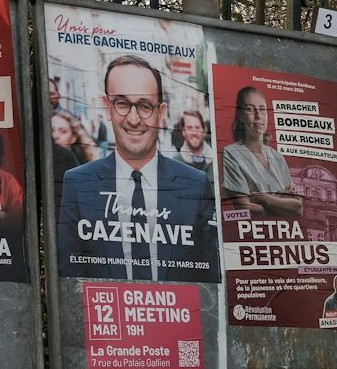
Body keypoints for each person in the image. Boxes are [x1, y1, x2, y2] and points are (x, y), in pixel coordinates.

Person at [56, 55, 220, 280]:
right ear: (107, 107)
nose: (133, 119)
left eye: (144, 106)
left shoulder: (195, 185)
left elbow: (210, 279)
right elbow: (69, 279)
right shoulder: (78, 184)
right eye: (122, 104)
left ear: (161, 114)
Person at [221, 86, 302, 218]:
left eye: (262, 109)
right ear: (240, 116)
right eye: (250, 109)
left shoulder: (277, 157)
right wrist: (282, 202)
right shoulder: (231, 153)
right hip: (251, 234)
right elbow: (246, 211)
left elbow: (298, 209)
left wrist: (266, 200)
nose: (258, 116)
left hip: (283, 234)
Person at [49, 108, 96, 184]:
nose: (55, 136)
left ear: (73, 138)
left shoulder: (84, 167)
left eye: (63, 131)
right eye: (51, 130)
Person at [171, 108, 214, 174]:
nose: (194, 133)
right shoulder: (175, 163)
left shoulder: (215, 160)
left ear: (203, 130)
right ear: (183, 131)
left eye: (197, 127)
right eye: (189, 128)